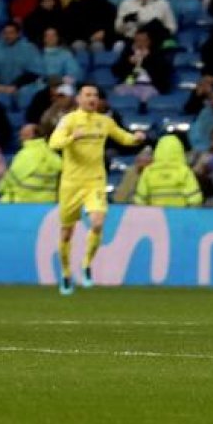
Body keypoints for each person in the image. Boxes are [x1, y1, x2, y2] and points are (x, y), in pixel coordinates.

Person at [48, 84, 147, 295]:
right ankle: (66, 274)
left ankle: (86, 265)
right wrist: (72, 137)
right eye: (88, 95)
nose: (92, 98)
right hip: (71, 184)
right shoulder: (70, 120)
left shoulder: (104, 122)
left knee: (98, 222)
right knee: (66, 234)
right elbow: (53, 143)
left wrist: (136, 137)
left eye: (95, 95)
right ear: (79, 99)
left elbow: (123, 137)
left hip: (95, 181)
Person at [0, 124, 61, 204]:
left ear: (29, 135)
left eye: (22, 134)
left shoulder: (26, 154)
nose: (20, 137)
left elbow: (12, 179)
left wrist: (0, 189)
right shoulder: (52, 154)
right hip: (48, 204)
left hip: (24, 203)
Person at [134, 135, 202, 208]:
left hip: (156, 215)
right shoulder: (184, 171)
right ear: (180, 150)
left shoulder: (149, 171)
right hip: (180, 215)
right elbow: (195, 199)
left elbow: (140, 199)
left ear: (158, 150)